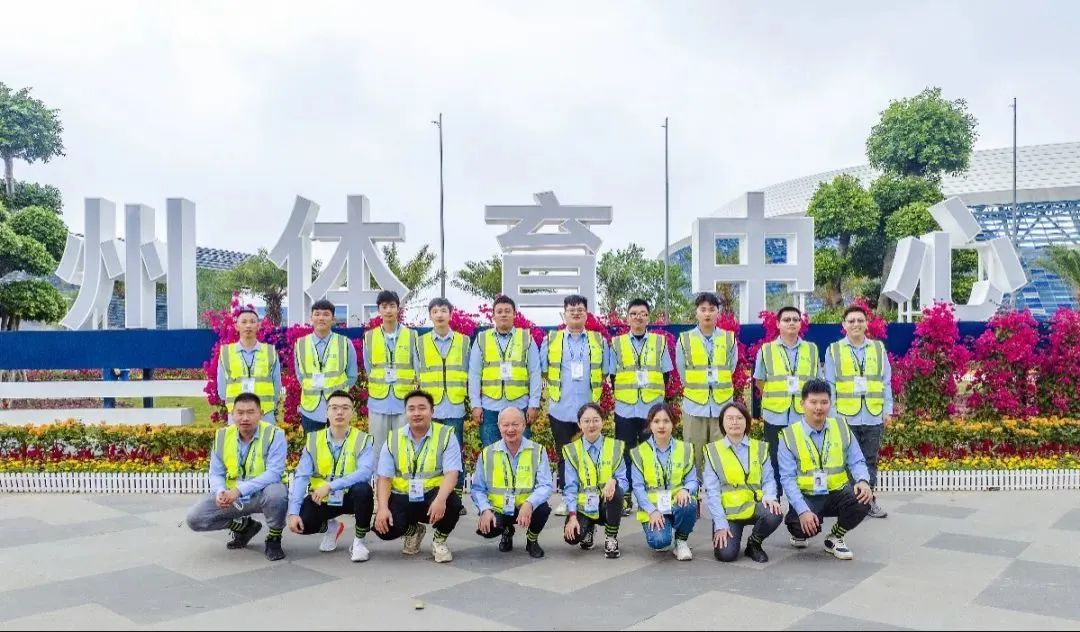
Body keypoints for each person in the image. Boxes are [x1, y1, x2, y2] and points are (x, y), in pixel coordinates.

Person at [185, 393, 288, 561]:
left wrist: (239, 490)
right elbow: (216, 472)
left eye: (250, 412)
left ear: (261, 414)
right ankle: (245, 527)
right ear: (232, 414)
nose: (245, 418)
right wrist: (220, 492)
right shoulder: (222, 436)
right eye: (240, 413)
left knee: (278, 494)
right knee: (195, 518)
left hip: (262, 494)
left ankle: (274, 538)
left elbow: (274, 473)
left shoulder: (274, 434)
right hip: (232, 498)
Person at [779, 379, 873, 560]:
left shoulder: (842, 427)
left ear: (830, 403)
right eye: (813, 402)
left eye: (824, 402)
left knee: (864, 499)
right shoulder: (789, 435)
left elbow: (857, 460)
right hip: (808, 496)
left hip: (837, 493)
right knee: (800, 527)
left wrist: (862, 480)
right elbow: (787, 478)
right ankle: (802, 526)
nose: (818, 407)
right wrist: (803, 511)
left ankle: (835, 537)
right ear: (802, 403)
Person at [539, 294, 612, 516]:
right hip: (561, 409)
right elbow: (544, 370)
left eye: (580, 309)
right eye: (571, 310)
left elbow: (605, 371)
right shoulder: (551, 339)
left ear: (586, 314)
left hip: (588, 411)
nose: (576, 313)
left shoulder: (598, 341)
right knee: (565, 455)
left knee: (589, 455)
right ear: (565, 314)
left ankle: (588, 497)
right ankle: (566, 499)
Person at [373, 390, 462, 563]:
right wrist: (382, 508)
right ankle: (413, 531)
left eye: (422, 408)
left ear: (432, 411)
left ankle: (439, 541)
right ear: (405, 412)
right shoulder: (393, 438)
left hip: (431, 495)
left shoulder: (446, 435)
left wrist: (440, 500)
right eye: (411, 409)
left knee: (453, 503)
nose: (416, 413)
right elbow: (384, 478)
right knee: (383, 528)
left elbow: (452, 473)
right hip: (402, 496)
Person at [286, 391, 375, 562]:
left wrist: (330, 486)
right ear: (326, 412)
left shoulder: (363, 440)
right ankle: (331, 527)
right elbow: (302, 476)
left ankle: (359, 542)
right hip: (323, 499)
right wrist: (293, 512)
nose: (339, 412)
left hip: (350, 497)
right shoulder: (314, 440)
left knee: (363, 490)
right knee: (302, 523)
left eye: (345, 408)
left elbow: (365, 472)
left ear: (352, 412)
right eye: (334, 408)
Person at [824, 304, 892, 519]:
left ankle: (868, 501)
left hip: (873, 414)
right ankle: (851, 502)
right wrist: (832, 415)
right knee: (845, 461)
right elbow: (830, 385)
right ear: (844, 325)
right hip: (845, 416)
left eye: (860, 320)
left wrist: (887, 410)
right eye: (851, 321)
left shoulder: (878, 348)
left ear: (866, 323)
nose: (856, 324)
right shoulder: (834, 349)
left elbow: (886, 382)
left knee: (870, 460)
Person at [609, 298, 673, 517]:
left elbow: (666, 374)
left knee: (651, 453)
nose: (638, 317)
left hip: (651, 410)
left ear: (648, 317)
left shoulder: (659, 342)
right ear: (627, 318)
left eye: (643, 314)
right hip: (625, 408)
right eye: (634, 313)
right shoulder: (617, 343)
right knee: (625, 453)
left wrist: (657, 400)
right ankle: (626, 496)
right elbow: (613, 375)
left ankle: (651, 495)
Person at [703, 402, 783, 563]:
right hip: (729, 512)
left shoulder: (760, 448)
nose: (735, 422)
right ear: (722, 422)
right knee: (726, 555)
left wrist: (770, 497)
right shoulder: (713, 451)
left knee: (774, 512)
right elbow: (712, 491)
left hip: (754, 505)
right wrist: (720, 523)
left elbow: (768, 479)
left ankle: (754, 543)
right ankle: (729, 533)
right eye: (730, 418)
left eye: (739, 418)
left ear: (747, 421)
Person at [752, 305, 819, 496]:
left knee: (802, 457)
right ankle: (775, 499)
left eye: (795, 320)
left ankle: (800, 502)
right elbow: (760, 381)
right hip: (775, 414)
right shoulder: (766, 350)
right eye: (786, 319)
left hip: (802, 414)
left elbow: (816, 381)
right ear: (778, 324)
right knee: (774, 458)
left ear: (800, 324)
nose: (791, 323)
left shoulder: (811, 349)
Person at [471, 407, 553, 558]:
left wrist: (529, 503)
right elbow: (477, 489)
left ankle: (532, 540)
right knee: (487, 530)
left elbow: (546, 485)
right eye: (505, 425)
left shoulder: (538, 451)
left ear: (524, 425)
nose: (510, 429)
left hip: (526, 507)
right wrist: (485, 510)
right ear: (499, 426)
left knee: (543, 509)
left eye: (515, 424)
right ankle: (507, 531)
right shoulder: (487, 453)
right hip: (500, 508)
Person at [417, 297, 471, 515]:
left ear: (450, 314)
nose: (439, 315)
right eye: (435, 311)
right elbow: (416, 373)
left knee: (454, 452)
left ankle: (455, 500)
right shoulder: (420, 342)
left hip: (454, 405)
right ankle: (432, 497)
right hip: (430, 408)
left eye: (443, 310)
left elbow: (470, 372)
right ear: (430, 315)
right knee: (430, 452)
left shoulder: (464, 341)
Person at [626, 403, 698, 561]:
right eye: (656, 421)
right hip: (654, 509)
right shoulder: (639, 452)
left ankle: (681, 541)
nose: (661, 426)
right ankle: (666, 531)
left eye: (666, 421)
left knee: (689, 504)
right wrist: (652, 511)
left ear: (673, 424)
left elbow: (693, 480)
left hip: (677, 504)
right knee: (659, 542)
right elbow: (638, 488)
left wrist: (686, 489)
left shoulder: (685, 449)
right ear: (650, 425)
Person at [676, 291, 737, 474]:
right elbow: (682, 372)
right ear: (696, 313)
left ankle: (719, 491)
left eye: (711, 309)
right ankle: (693, 491)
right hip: (694, 406)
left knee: (721, 454)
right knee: (693, 454)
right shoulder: (685, 339)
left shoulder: (729, 338)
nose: (707, 313)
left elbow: (731, 367)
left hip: (722, 406)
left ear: (718, 312)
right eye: (703, 309)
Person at [468, 295, 541, 447]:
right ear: (493, 316)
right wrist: (475, 404)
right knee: (492, 453)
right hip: (489, 408)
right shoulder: (482, 339)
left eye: (507, 311)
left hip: (520, 406)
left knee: (521, 452)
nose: (503, 314)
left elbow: (535, 372)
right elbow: (474, 374)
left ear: (514, 314)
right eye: (499, 311)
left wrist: (534, 404)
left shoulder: (526, 338)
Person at [562, 403, 626, 559]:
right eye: (586, 421)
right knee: (572, 537)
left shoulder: (614, 447)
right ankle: (588, 527)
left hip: (607, 504)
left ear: (603, 422)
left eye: (596, 420)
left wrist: (614, 481)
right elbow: (570, 487)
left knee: (617, 490)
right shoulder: (572, 450)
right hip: (584, 506)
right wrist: (572, 516)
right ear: (579, 424)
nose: (591, 425)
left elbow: (624, 481)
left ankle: (611, 537)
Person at [363, 290, 420, 456]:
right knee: (377, 450)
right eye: (384, 306)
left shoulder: (412, 336)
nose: (388, 310)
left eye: (392, 306)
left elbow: (418, 368)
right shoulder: (370, 337)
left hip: (404, 402)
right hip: (378, 402)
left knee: (404, 448)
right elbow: (369, 368)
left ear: (398, 308)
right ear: (379, 309)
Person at [294, 299, 359, 434]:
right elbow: (300, 375)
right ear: (311, 318)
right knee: (313, 445)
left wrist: (340, 393)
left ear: (333, 319)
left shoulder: (345, 343)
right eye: (317, 314)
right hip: (311, 408)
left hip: (338, 407)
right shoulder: (300, 344)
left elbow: (352, 376)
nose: (321, 318)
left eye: (326, 314)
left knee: (339, 444)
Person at [216, 309, 282, 423]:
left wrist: (270, 406)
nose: (248, 325)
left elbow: (277, 385)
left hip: (265, 413)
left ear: (258, 326)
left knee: (267, 436)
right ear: (236, 326)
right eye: (244, 322)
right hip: (237, 414)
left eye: (252, 322)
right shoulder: (226, 352)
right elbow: (222, 389)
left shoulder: (270, 351)